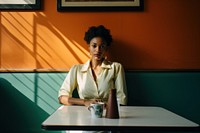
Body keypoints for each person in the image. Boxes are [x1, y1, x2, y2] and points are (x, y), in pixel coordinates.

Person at [58, 25, 127, 108]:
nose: (98, 50)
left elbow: (122, 100)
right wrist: (85, 102)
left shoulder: (116, 68)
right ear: (89, 48)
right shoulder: (76, 69)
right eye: (94, 46)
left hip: (109, 113)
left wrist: (104, 107)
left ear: (106, 49)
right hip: (83, 114)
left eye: (102, 46)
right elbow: (62, 97)